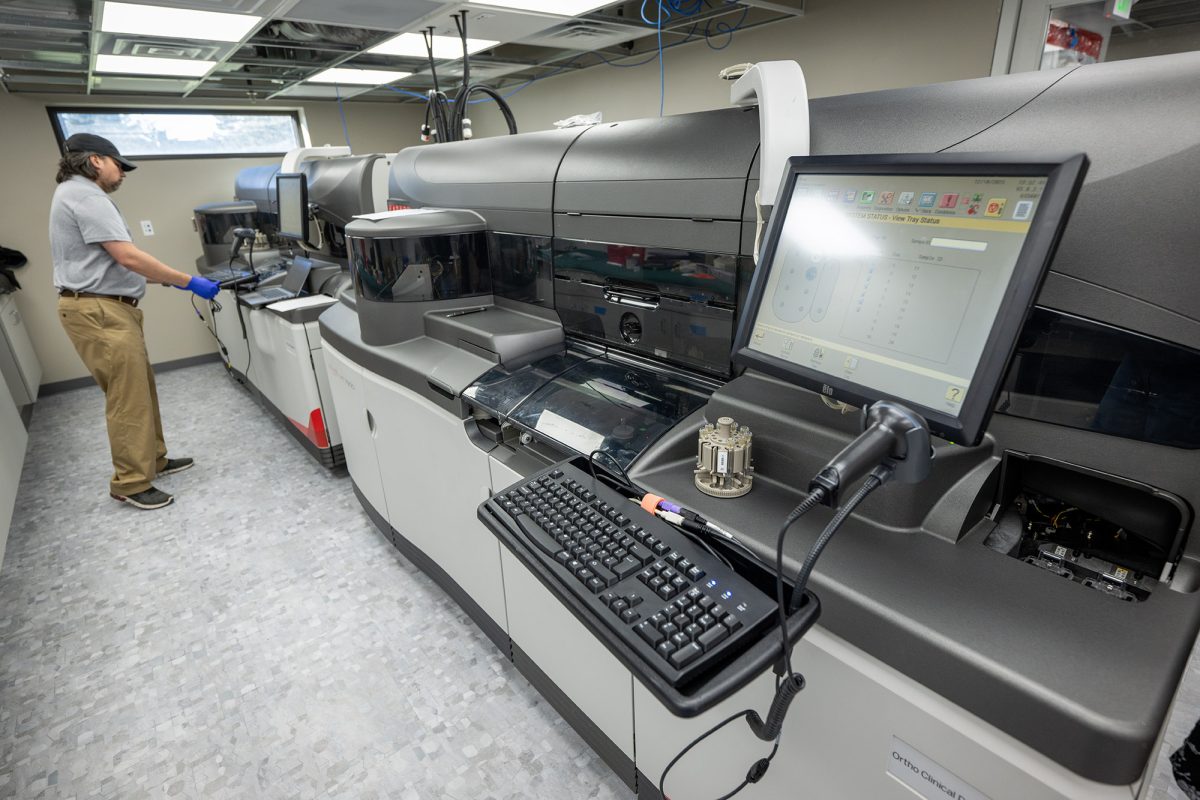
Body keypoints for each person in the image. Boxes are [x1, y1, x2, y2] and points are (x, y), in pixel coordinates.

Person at [49, 132, 221, 510]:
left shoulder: (74, 194)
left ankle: (153, 460)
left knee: (139, 388)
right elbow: (127, 257)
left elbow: (112, 261)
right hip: (98, 311)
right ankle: (129, 482)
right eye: (118, 165)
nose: (122, 173)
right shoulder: (85, 196)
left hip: (107, 308)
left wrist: (166, 279)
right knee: (127, 399)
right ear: (95, 160)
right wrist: (188, 280)